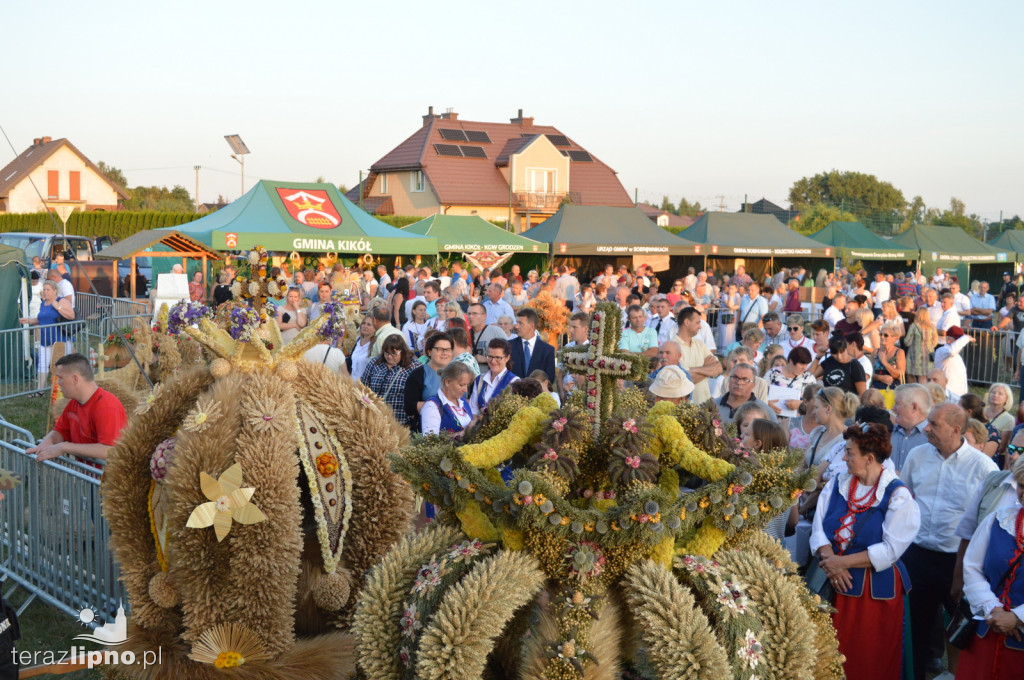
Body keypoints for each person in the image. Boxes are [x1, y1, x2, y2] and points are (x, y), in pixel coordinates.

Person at [810, 423, 920, 680]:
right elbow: (819, 529)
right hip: (831, 580)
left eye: (849, 452)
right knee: (824, 653)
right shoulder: (838, 482)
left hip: (872, 593)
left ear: (869, 458)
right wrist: (831, 563)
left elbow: (891, 549)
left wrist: (840, 562)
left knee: (867, 658)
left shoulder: (898, 495)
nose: (844, 458)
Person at [901, 403, 999, 680]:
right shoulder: (917, 455)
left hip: (958, 559)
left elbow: (992, 517)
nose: (926, 428)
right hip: (917, 554)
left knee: (961, 629)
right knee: (915, 627)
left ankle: (957, 675)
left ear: (956, 430)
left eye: (934, 424)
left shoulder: (983, 467)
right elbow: (904, 499)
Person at [956, 456, 1024, 679]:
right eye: (1022, 486)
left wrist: (1017, 617)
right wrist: (993, 608)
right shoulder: (999, 519)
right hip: (988, 629)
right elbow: (973, 567)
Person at [27, 353, 127, 464]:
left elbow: (109, 450)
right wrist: (46, 443)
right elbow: (60, 431)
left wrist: (64, 447)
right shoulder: (73, 403)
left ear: (75, 379)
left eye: (60, 378)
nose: (58, 383)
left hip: (106, 479)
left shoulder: (107, 406)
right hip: (88, 478)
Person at [18, 279, 74, 392]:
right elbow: (41, 320)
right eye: (44, 289)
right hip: (45, 340)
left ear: (55, 291)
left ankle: (64, 389)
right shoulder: (43, 304)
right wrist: (27, 320)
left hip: (59, 340)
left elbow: (71, 316)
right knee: (42, 365)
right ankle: (40, 390)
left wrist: (57, 306)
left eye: (48, 290)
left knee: (61, 366)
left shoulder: (61, 300)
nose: (45, 292)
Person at [404, 332, 453, 432]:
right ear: (429, 351)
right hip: (427, 431)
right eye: (439, 349)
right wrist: (439, 407)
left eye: (448, 350)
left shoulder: (458, 373)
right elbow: (410, 406)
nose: (444, 353)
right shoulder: (418, 374)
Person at [360, 334, 414, 425]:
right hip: (374, 419)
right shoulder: (374, 363)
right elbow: (362, 385)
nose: (389, 357)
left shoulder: (412, 367)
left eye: (394, 354)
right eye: (386, 353)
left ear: (403, 352)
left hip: (399, 421)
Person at [673, 306, 721, 404]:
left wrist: (693, 370)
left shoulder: (700, 343)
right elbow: (683, 381)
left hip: (705, 405)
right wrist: (706, 369)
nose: (700, 326)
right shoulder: (672, 347)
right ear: (686, 322)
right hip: (686, 409)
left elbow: (719, 368)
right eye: (698, 322)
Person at [420, 362, 475, 436]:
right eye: (461, 385)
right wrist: (464, 433)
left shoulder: (463, 401)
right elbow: (430, 441)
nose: (465, 390)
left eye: (467, 385)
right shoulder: (432, 406)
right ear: (447, 382)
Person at [890, 384, 933, 471]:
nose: (893, 408)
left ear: (914, 407)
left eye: (897, 404)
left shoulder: (932, 437)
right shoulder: (890, 433)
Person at [472, 338, 519, 412]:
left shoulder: (514, 382)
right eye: (490, 356)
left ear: (507, 358)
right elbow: (473, 410)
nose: (493, 361)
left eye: (498, 357)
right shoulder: (480, 380)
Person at [509, 307, 555, 382]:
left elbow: (549, 379)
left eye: (520, 323)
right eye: (516, 323)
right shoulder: (509, 346)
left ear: (531, 326)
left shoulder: (547, 350)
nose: (516, 326)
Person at [466, 302, 508, 372]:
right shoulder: (466, 334)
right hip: (471, 378)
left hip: (491, 377)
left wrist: (486, 359)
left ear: (484, 316)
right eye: (469, 314)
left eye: (474, 313)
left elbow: (508, 355)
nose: (470, 316)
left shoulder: (495, 331)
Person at [935, 325, 973, 399]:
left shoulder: (957, 356)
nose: (961, 344)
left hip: (959, 395)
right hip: (947, 394)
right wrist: (966, 338)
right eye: (958, 340)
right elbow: (952, 351)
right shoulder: (941, 351)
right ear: (948, 339)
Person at [904, 307, 938, 383]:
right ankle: (923, 392)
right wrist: (929, 345)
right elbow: (935, 341)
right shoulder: (932, 326)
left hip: (914, 354)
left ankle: (913, 392)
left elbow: (907, 342)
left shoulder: (914, 326)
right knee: (923, 377)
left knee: (910, 374)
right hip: (928, 354)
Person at [871, 322, 906, 390]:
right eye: (880, 334)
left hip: (894, 390)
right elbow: (869, 373)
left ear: (895, 338)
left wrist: (884, 362)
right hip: (876, 389)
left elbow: (900, 376)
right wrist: (880, 378)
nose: (882, 337)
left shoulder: (899, 352)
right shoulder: (875, 352)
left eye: (886, 335)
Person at [789, 383, 824, 450]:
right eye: (817, 400)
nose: (821, 404)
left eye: (824, 401)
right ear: (805, 402)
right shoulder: (789, 424)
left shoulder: (828, 428)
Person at [348, 315, 375, 382]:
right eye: (363, 323)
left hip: (364, 384)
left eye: (369, 325)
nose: (365, 326)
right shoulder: (358, 341)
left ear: (375, 328)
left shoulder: (374, 345)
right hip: (351, 383)